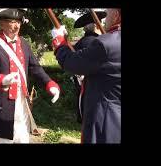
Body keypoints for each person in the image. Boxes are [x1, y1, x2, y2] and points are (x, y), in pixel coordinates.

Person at [0, 8, 61, 143]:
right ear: (1, 24)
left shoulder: (23, 43)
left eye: (18, 22)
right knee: (5, 140)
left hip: (22, 100)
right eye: (12, 22)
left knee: (23, 137)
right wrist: (2, 80)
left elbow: (35, 68)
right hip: (4, 102)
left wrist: (49, 83)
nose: (16, 26)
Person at [51, 9, 121, 143]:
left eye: (108, 12)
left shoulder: (105, 43)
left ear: (117, 15)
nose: (106, 16)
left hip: (106, 121)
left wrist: (59, 42)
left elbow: (71, 62)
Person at [70, 11, 107, 123]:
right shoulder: (100, 41)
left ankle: (81, 117)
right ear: (96, 25)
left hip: (80, 80)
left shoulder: (80, 43)